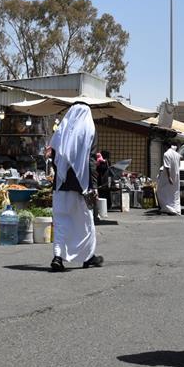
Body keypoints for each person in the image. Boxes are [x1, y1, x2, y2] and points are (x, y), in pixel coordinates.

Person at [49, 102, 103, 272]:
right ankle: (89, 257)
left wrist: (61, 176)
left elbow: (54, 158)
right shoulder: (89, 130)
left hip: (60, 185)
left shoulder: (61, 131)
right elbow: (91, 161)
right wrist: (93, 185)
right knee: (85, 222)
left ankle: (58, 257)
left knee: (61, 221)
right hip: (81, 186)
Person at [156, 144, 182, 215]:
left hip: (167, 176)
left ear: (165, 146)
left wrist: (169, 177)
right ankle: (176, 209)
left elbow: (167, 166)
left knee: (161, 191)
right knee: (174, 193)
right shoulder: (177, 154)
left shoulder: (166, 154)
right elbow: (179, 164)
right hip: (176, 175)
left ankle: (167, 208)